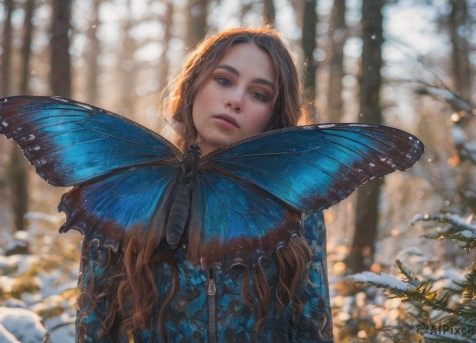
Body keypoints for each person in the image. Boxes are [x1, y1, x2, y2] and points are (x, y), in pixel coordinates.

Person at [76, 27, 334, 342]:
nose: (235, 100)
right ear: (194, 84)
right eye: (224, 80)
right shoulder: (129, 187)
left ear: (274, 117)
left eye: (259, 94)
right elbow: (95, 325)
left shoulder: (294, 205)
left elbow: (312, 327)